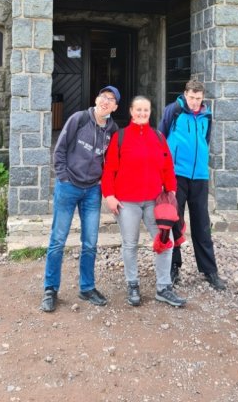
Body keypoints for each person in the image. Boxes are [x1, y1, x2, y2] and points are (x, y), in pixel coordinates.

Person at [101, 95, 187, 308]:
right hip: (127, 202)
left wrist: (171, 190)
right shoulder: (120, 137)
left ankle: (163, 287)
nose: (142, 113)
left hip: (154, 201)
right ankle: (132, 284)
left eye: (145, 110)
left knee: (165, 241)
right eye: (138, 110)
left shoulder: (158, 137)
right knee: (130, 244)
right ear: (131, 111)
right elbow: (109, 169)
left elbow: (167, 167)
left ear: (150, 112)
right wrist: (109, 195)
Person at [41, 86, 120, 312]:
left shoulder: (113, 130)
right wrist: (63, 177)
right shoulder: (79, 119)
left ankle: (87, 287)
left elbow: (112, 162)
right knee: (58, 240)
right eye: (103, 97)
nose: (106, 101)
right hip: (68, 187)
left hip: (92, 190)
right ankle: (50, 289)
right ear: (96, 99)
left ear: (115, 107)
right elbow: (60, 150)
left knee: (90, 242)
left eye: (111, 100)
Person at [158, 79, 227, 291]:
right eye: (191, 97)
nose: (195, 102)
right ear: (185, 94)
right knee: (173, 221)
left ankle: (209, 270)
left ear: (202, 97)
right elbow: (160, 138)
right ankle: (173, 266)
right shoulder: (174, 111)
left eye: (198, 98)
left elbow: (205, 140)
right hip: (176, 175)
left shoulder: (207, 115)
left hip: (199, 176)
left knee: (202, 223)